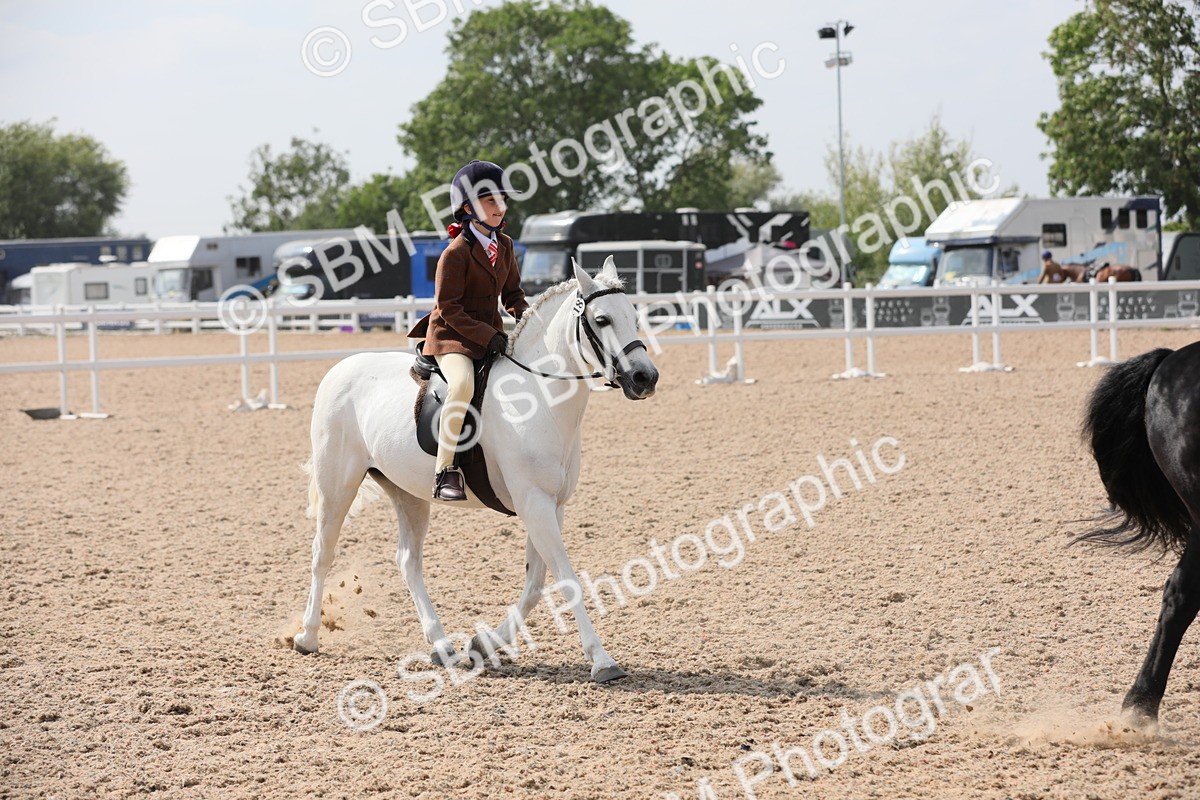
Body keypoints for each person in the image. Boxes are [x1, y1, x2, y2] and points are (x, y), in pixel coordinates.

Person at [407, 160, 529, 501]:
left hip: (490, 335)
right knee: (462, 385)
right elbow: (449, 309)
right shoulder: (455, 253)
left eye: (502, 200)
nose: (499, 207)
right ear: (468, 208)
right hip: (452, 337)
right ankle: (445, 470)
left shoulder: (505, 245)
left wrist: (530, 320)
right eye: (491, 201)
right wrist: (487, 336)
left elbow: (513, 295)